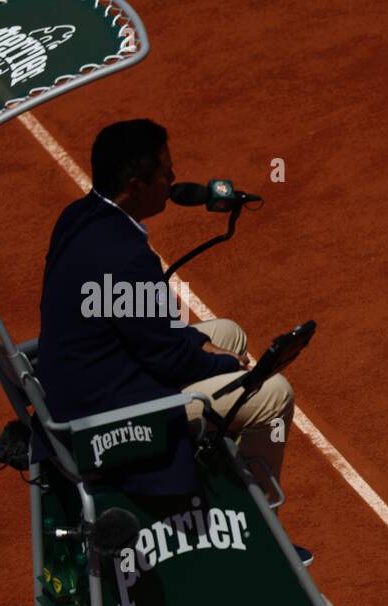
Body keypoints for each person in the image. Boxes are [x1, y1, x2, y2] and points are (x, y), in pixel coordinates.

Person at [35, 119, 295, 502]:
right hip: (109, 418)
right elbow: (168, 356)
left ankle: (216, 481)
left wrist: (214, 351)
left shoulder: (78, 215)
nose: (173, 178)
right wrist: (229, 366)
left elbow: (146, 332)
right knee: (273, 392)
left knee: (227, 332)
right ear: (135, 186)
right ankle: (263, 529)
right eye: (165, 172)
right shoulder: (124, 257)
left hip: (84, 379)